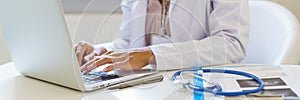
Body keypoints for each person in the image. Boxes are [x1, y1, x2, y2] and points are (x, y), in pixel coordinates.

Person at [76, 0, 250, 74]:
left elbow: (232, 44)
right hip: (150, 87)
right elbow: (128, 44)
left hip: (199, 87)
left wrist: (151, 55)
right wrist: (103, 52)